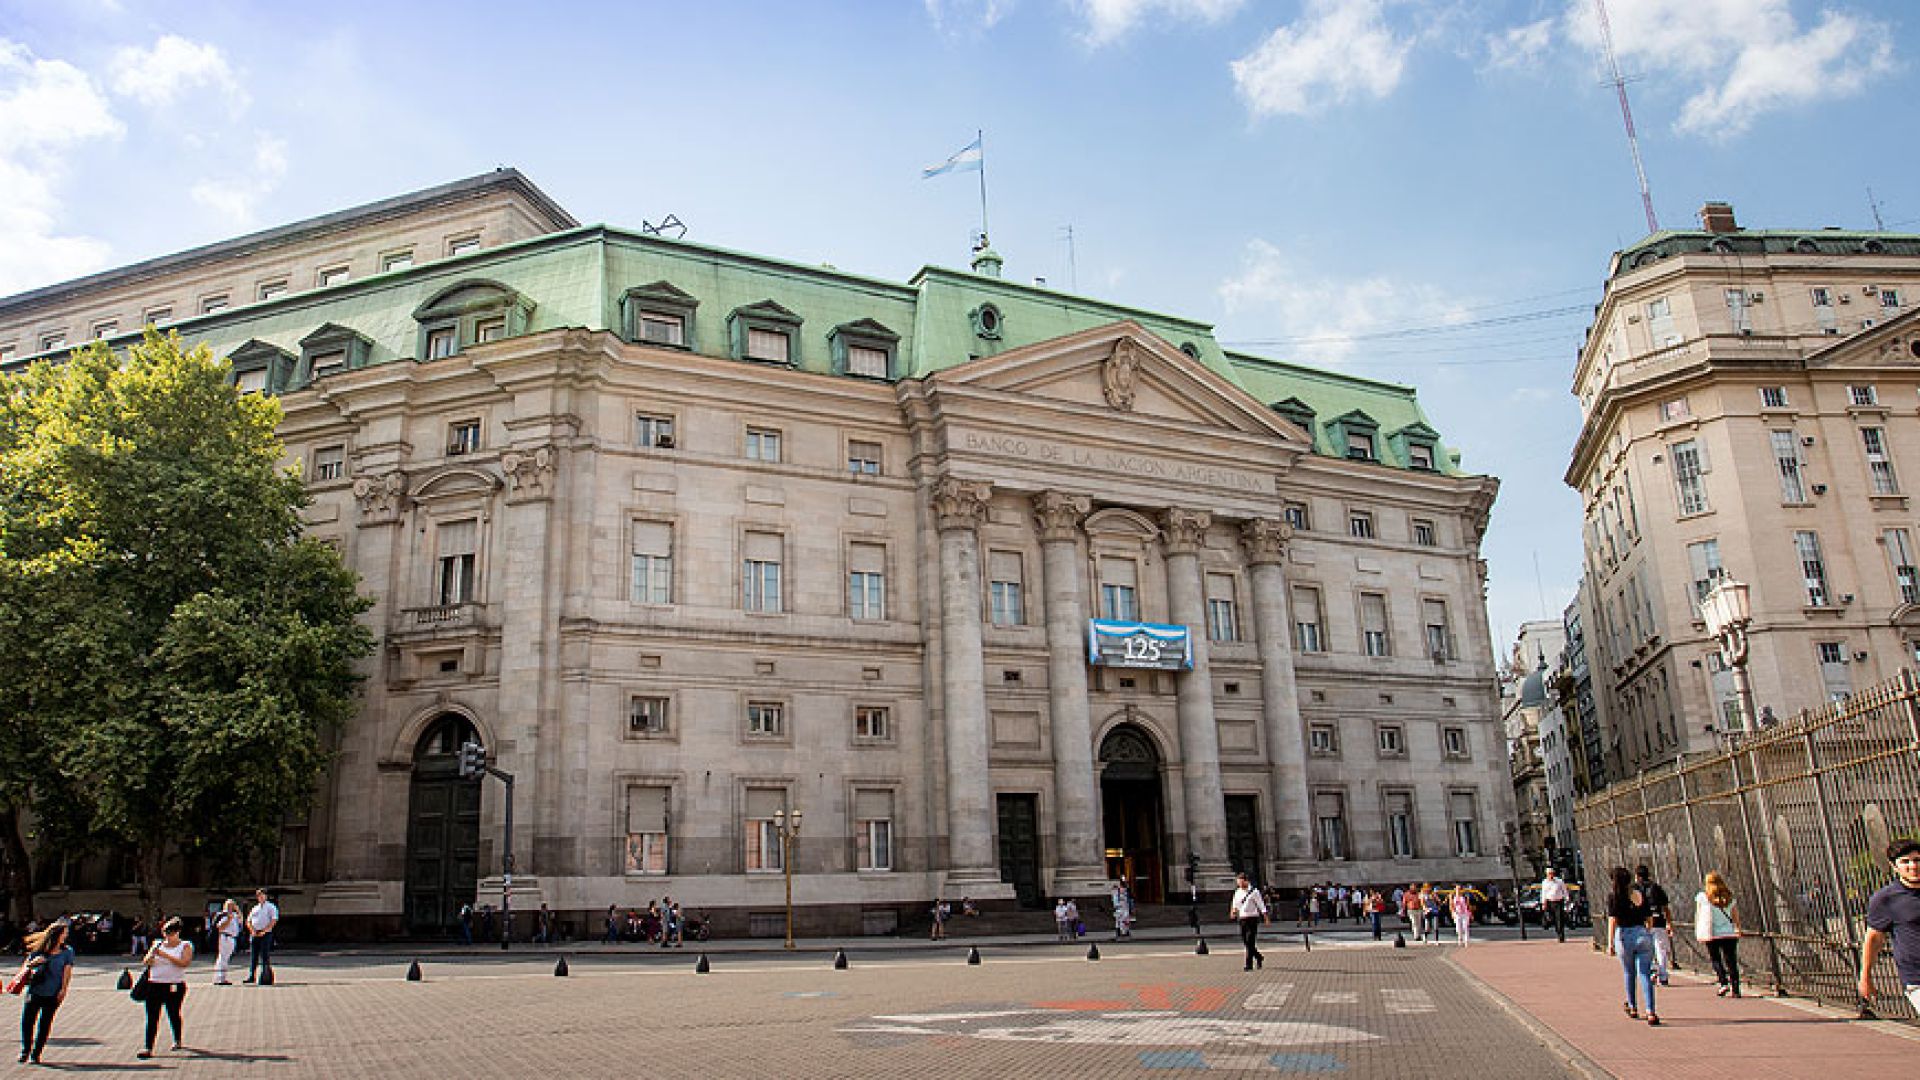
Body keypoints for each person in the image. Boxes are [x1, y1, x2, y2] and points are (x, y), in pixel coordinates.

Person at [1859, 837, 1920, 1016]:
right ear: (1894, 866)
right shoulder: (1886, 899)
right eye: (1905, 862)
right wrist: (1865, 977)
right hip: (1916, 978)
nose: (1913, 866)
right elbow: (1873, 940)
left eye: (1917, 860)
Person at [1606, 866, 1660, 1026]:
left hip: (1624, 934)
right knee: (1645, 973)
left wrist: (1610, 943)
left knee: (1629, 973)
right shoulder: (1638, 894)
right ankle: (1651, 1011)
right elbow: (1649, 917)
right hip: (1641, 933)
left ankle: (1632, 1006)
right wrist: (1647, 930)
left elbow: (1613, 920)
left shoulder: (1614, 896)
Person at [16, 919, 73, 1065]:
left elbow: (67, 972)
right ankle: (25, 1050)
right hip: (35, 990)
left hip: (53, 992)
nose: (66, 936)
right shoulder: (39, 950)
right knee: (27, 1021)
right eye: (64, 933)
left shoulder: (67, 952)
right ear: (56, 934)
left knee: (45, 1023)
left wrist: (63, 990)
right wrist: (34, 963)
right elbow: (26, 967)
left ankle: (36, 1053)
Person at [138, 916, 193, 1058]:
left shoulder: (185, 945)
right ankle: (148, 1047)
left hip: (174, 984)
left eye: (171, 933)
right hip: (154, 983)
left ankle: (177, 1039)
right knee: (152, 1016)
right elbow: (146, 961)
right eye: (165, 932)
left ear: (178, 932)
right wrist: (151, 956)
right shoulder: (157, 944)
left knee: (173, 1013)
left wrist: (166, 955)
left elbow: (184, 963)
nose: (168, 936)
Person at [1694, 871, 1742, 998]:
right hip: (1729, 933)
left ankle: (1723, 982)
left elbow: (1698, 915)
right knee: (1731, 960)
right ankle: (1736, 988)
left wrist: (1698, 929)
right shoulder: (1729, 897)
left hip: (1712, 933)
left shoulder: (1703, 897)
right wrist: (1737, 928)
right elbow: (1735, 916)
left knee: (1716, 959)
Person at [1634, 865, 1673, 985]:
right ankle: (1663, 975)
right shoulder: (1656, 887)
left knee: (1644, 949)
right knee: (1661, 949)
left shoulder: (1635, 889)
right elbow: (1665, 907)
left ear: (1637, 876)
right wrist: (1669, 922)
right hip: (1658, 921)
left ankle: (1652, 969)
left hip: (1642, 923)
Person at [1229, 872, 1269, 971]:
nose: (1240, 885)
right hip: (1242, 918)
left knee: (1250, 940)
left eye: (1241, 882)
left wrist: (1266, 917)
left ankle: (1248, 965)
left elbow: (1261, 905)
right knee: (1246, 942)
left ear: (1246, 881)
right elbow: (1235, 903)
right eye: (1238, 883)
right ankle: (1258, 956)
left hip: (1252, 918)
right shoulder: (1238, 892)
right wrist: (1233, 912)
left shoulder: (1254, 892)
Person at [244, 888, 277, 984]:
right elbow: (248, 921)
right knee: (253, 955)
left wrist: (265, 931)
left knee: (264, 955)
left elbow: (274, 920)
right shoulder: (255, 908)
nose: (260, 897)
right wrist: (252, 930)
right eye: (259, 895)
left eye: (262, 895)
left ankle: (265, 976)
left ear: (266, 896)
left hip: (265, 934)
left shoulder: (271, 907)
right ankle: (252, 976)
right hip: (255, 933)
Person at [211, 899, 242, 985]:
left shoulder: (234, 915)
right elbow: (220, 927)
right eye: (229, 905)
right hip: (225, 937)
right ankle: (219, 978)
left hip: (232, 938)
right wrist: (228, 919)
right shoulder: (224, 915)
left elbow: (241, 919)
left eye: (232, 905)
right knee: (222, 957)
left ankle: (223, 977)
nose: (231, 907)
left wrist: (238, 910)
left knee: (226, 958)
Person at [1541, 869, 1571, 943]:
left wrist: (1567, 899)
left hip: (1558, 902)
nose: (1550, 875)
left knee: (1559, 919)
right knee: (1551, 918)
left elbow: (1564, 891)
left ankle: (1561, 936)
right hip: (1549, 902)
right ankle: (1549, 925)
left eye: (1551, 874)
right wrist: (1543, 903)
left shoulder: (1559, 881)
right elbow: (1543, 893)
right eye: (1549, 874)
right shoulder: (1544, 882)